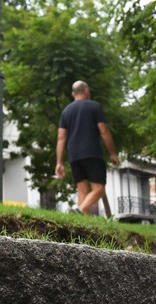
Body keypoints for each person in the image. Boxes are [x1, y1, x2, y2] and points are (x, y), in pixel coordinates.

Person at [56, 80, 120, 215]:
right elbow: (104, 131)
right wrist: (113, 153)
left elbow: (61, 138)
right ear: (87, 90)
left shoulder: (66, 111)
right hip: (91, 152)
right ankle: (80, 210)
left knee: (82, 190)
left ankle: (81, 224)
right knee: (99, 189)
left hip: (74, 155)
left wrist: (59, 162)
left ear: (73, 94)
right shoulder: (94, 107)